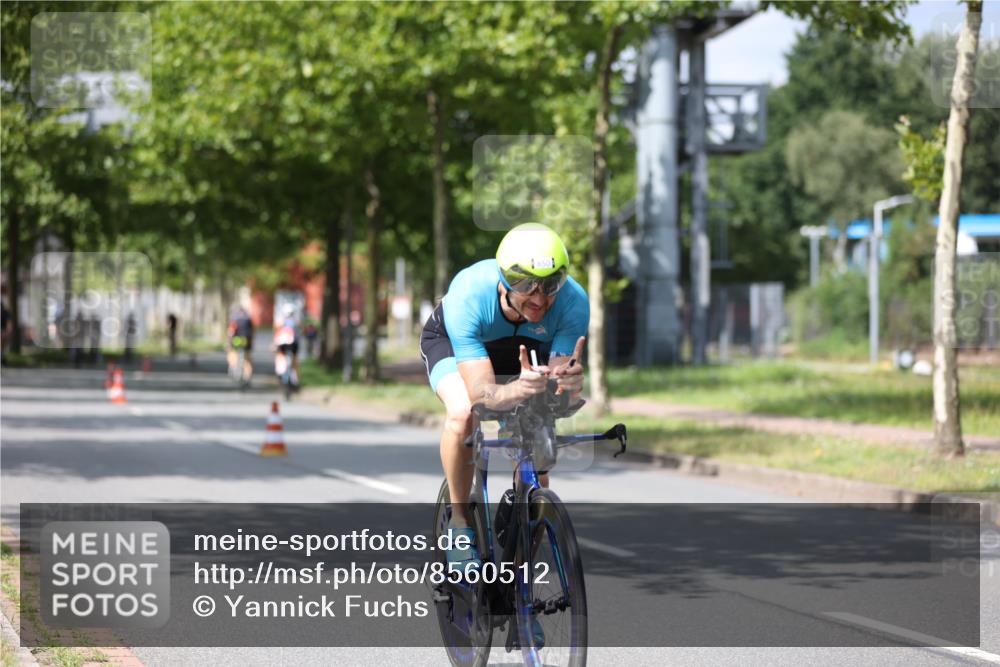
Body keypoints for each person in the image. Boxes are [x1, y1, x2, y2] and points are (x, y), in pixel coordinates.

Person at [419, 222, 587, 574]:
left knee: (537, 467)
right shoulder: (469, 292)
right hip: (457, 345)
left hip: (526, 352)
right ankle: (460, 523)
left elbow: (559, 373)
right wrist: (515, 391)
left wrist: (567, 381)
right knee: (465, 414)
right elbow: (482, 392)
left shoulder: (573, 302)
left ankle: (519, 589)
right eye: (527, 286)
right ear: (505, 280)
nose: (540, 298)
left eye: (551, 285)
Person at [273, 304, 301, 387]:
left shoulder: (281, 322)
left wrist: (274, 344)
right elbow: (299, 334)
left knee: (280, 357)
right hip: (293, 345)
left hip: (283, 345)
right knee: (295, 361)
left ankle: (280, 373)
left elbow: (277, 334)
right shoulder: (296, 322)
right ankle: (295, 380)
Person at [227, 306, 254, 382]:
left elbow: (230, 332)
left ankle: (233, 367)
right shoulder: (248, 319)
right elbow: (252, 333)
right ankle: (248, 376)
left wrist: (229, 343)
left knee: (232, 353)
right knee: (247, 358)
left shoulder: (234, 319)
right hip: (246, 340)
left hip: (236, 340)